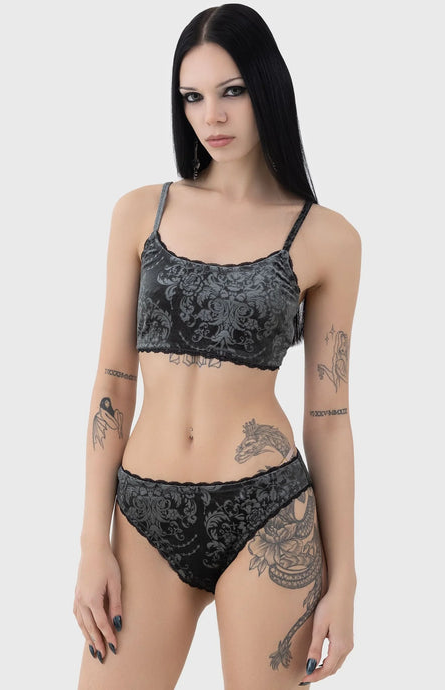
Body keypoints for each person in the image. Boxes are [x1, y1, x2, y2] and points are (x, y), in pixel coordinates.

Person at [73, 4, 361, 688]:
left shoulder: (327, 238)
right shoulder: (141, 212)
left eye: (232, 90)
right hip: (144, 515)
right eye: (193, 97)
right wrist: (91, 542)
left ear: (267, 87)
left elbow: (329, 418)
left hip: (269, 514)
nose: (213, 116)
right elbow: (113, 383)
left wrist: (345, 581)